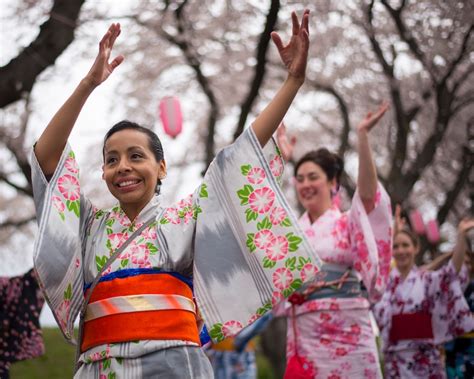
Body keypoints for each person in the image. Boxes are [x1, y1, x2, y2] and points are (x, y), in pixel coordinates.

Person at [30, 11, 321, 378]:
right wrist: (89, 83)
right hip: (102, 367)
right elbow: (47, 157)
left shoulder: (186, 216)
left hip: (174, 363)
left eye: (137, 156)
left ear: (162, 167)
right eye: (111, 160)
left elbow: (235, 161)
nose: (123, 167)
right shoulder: (90, 225)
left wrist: (292, 82)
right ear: (102, 172)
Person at [276, 104, 393, 378]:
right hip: (305, 332)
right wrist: (279, 161)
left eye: (313, 177)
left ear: (333, 182)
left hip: (348, 328)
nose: (305, 184)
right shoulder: (294, 231)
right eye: (300, 179)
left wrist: (362, 136)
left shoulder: (347, 221)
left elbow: (367, 197)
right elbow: (268, 212)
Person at [373, 210, 474, 378]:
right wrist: (393, 232)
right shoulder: (386, 283)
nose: (400, 251)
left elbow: (450, 272)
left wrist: (461, 237)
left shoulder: (427, 279)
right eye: (396, 246)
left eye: (405, 245)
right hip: (395, 357)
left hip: (425, 356)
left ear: (416, 248)